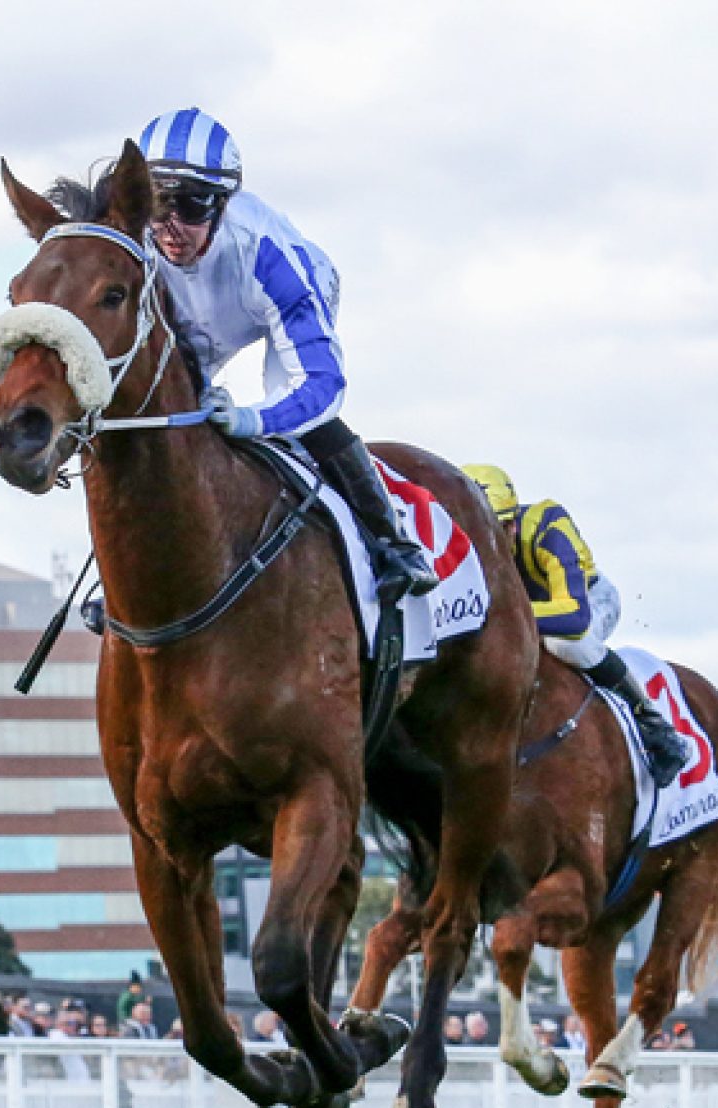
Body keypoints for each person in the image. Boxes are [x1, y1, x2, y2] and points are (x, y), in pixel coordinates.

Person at [130, 105, 435, 604]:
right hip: (188, 312)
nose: (170, 227)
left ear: (224, 202)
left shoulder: (269, 254)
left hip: (264, 298)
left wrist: (251, 419)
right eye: (156, 205)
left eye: (190, 205)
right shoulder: (137, 242)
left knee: (296, 420)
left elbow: (321, 387)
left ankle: (393, 543)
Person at [460, 464, 688, 787]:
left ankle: (654, 724)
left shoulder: (548, 528)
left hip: (591, 600)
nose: (490, 546)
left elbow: (574, 616)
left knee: (566, 644)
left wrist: (507, 617)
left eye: (499, 530)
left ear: (513, 524)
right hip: (529, 614)